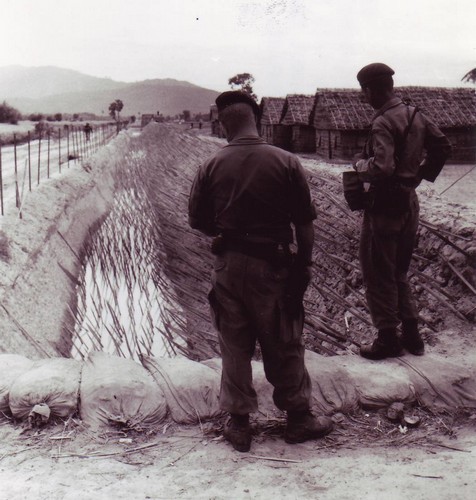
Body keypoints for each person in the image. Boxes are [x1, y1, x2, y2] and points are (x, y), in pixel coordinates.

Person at [188, 90, 333, 452]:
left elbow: (197, 220)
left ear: (225, 123)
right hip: (274, 265)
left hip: (228, 265)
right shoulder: (285, 161)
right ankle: (298, 418)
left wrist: (226, 235)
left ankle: (239, 425)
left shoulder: (210, 165)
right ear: (256, 118)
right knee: (284, 339)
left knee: (234, 344)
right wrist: (304, 265)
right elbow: (305, 224)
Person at [353, 63, 452, 360]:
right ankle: (412, 336)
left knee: (376, 270)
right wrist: (417, 176)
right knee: (399, 270)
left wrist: (360, 166)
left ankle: (387, 339)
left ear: (371, 90)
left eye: (365, 91)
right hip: (409, 201)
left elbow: (382, 167)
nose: (364, 96)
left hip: (385, 205)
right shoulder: (414, 113)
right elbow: (443, 146)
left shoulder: (383, 122)